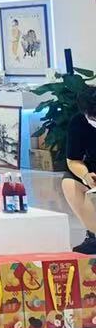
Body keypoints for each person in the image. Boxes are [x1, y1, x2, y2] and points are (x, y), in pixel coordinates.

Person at [63, 87, 96, 256]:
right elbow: (73, 160)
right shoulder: (78, 123)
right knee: (69, 182)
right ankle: (94, 235)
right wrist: (85, 175)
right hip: (93, 168)